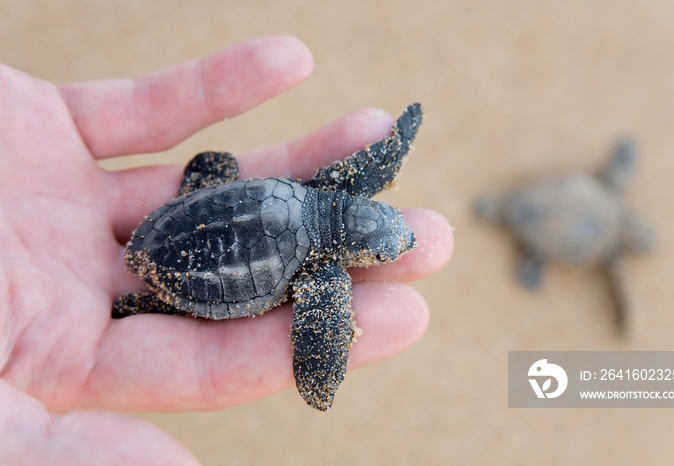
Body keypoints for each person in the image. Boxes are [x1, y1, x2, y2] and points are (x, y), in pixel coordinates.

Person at [0, 35, 453, 465]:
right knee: (192, 295)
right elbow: (322, 336)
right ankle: (143, 303)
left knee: (218, 167)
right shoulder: (326, 279)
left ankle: (152, 286)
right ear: (355, 248)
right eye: (381, 254)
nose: (400, 249)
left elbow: (374, 166)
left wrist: (399, 141)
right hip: (188, 270)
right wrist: (320, 379)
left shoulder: (328, 189)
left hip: (174, 222)